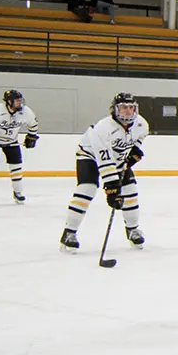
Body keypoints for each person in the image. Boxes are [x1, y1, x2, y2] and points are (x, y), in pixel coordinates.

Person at [59, 93, 150, 252]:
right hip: (90, 156)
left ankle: (133, 229)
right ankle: (69, 233)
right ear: (114, 110)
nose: (128, 112)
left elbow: (139, 138)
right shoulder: (103, 128)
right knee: (87, 189)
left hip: (117, 158)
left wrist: (134, 151)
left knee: (130, 190)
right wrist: (112, 188)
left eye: (131, 108)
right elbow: (104, 159)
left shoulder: (141, 124)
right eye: (123, 108)